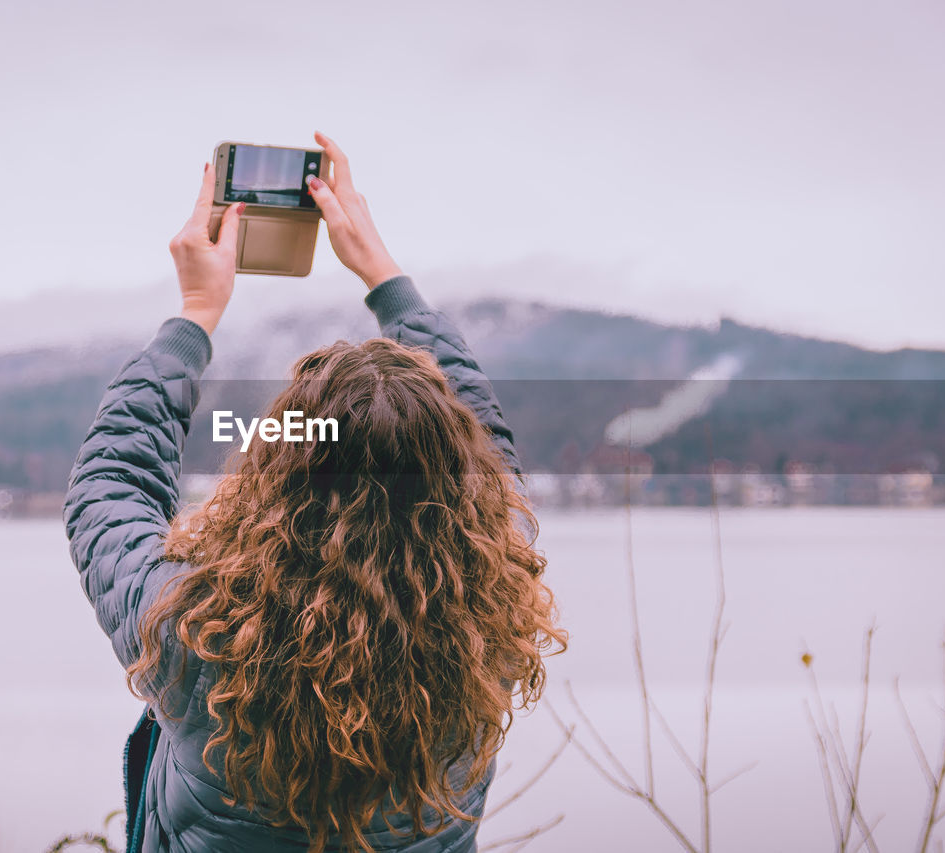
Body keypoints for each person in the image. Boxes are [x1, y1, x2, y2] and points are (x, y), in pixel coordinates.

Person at [63, 132, 567, 853]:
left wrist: (196, 312)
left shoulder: (199, 637)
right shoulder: (492, 623)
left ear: (276, 475)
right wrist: (384, 274)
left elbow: (111, 483)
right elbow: (484, 438)